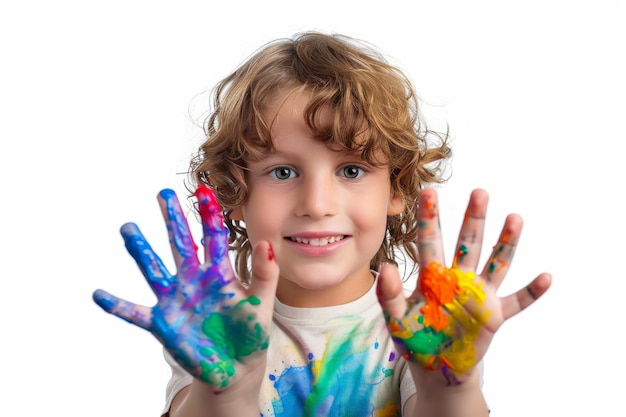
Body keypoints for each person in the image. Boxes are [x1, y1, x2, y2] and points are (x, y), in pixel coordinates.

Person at [93, 31, 552, 417]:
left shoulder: (420, 325)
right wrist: (228, 393)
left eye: (351, 170)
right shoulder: (219, 326)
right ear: (234, 193)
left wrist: (449, 388)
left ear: (396, 190)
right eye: (282, 172)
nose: (316, 204)